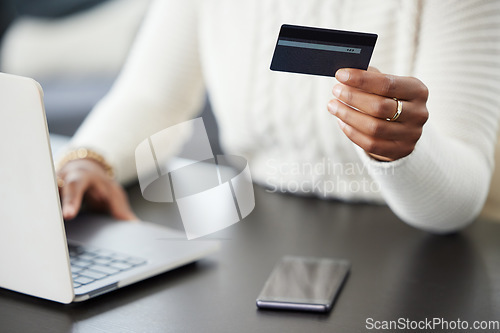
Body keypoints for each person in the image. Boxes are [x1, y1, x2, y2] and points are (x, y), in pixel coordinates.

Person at [56, 0, 500, 233]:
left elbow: (459, 202)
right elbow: (152, 96)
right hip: (258, 224)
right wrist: (89, 157)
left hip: (421, 246)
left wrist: (403, 152)